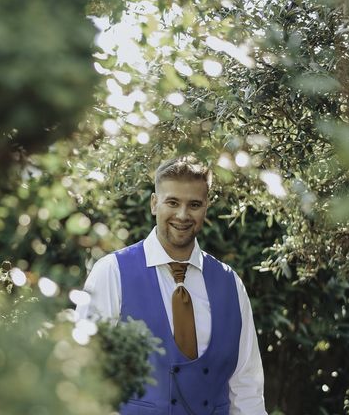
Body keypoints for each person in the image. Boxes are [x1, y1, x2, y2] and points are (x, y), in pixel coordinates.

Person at [76, 156, 267, 415]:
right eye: (173, 202)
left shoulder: (230, 283)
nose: (183, 215)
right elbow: (83, 372)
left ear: (206, 208)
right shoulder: (112, 272)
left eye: (194, 204)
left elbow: (246, 387)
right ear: (155, 204)